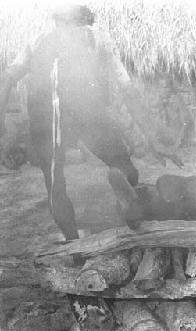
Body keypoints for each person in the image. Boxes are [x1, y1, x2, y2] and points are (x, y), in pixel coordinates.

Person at [0, 4, 169, 241]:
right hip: (48, 117)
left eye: (73, 25)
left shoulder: (96, 41)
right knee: (56, 182)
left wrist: (151, 138)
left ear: (85, 24)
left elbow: (8, 78)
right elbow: (7, 78)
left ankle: (122, 203)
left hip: (85, 111)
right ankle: (73, 242)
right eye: (62, 24)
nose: (67, 31)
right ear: (57, 22)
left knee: (124, 170)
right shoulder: (40, 42)